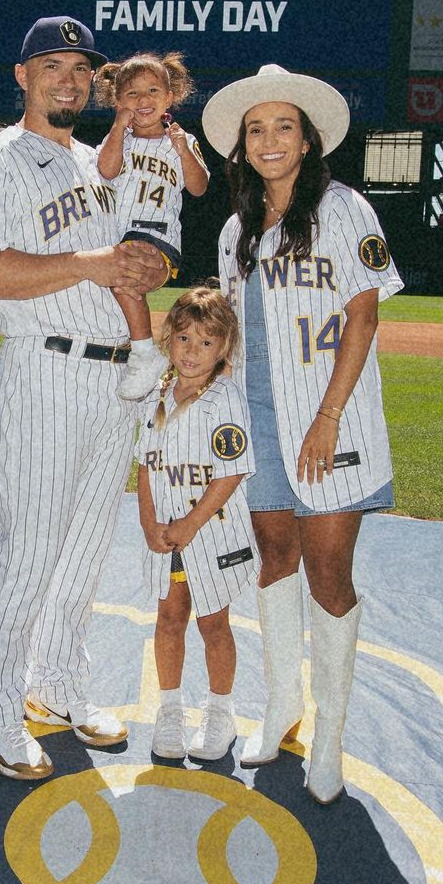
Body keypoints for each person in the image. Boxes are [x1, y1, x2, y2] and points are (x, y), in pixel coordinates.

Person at [0, 16, 168, 781]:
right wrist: (93, 261)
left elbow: (124, 263)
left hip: (116, 377)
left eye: (82, 68)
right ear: (23, 77)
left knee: (82, 554)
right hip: (46, 371)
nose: (70, 79)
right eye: (53, 64)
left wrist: (141, 268)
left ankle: (59, 685)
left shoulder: (100, 163)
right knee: (31, 553)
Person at [203, 64, 404, 804]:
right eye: (256, 129)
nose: (269, 140)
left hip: (331, 420)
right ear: (242, 146)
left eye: (284, 125)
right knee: (274, 559)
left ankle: (330, 736)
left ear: (309, 138)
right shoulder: (234, 229)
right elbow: (230, 332)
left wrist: (324, 419)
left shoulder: (346, 208)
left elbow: (365, 317)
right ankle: (282, 706)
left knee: (328, 572)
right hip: (255, 419)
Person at [136, 285, 258, 761]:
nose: (193, 352)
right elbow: (144, 464)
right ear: (170, 339)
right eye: (184, 339)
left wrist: (189, 524)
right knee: (169, 619)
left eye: (207, 343)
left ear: (224, 348)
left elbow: (230, 473)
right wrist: (149, 521)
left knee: (212, 623)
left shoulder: (226, 398)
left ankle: (220, 712)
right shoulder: (157, 391)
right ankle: (169, 710)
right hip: (167, 534)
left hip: (211, 532)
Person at [94, 51, 210, 399]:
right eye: (132, 94)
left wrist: (183, 150)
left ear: (169, 96)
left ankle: (145, 353)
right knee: (117, 287)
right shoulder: (122, 140)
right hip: (117, 233)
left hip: (157, 234)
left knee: (126, 278)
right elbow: (106, 170)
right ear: (118, 101)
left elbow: (199, 187)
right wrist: (118, 126)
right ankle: (138, 351)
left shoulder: (182, 140)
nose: (143, 100)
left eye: (153, 91)